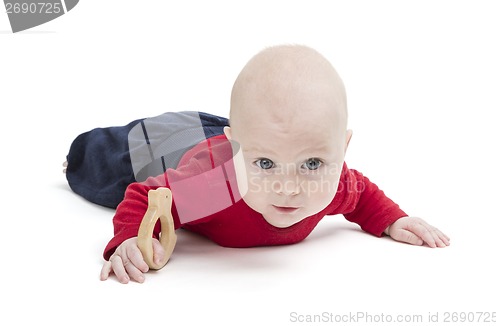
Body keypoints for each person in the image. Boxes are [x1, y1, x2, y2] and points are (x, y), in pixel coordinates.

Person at [64, 45, 450, 284]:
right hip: (184, 146)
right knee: (125, 156)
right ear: (237, 153)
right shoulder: (212, 186)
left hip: (244, 136)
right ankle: (78, 155)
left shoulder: (329, 185)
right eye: (267, 164)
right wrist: (130, 238)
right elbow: (146, 197)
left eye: (312, 162)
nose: (289, 186)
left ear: (343, 148)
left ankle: (252, 140)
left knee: (269, 132)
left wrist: (393, 220)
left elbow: (361, 193)